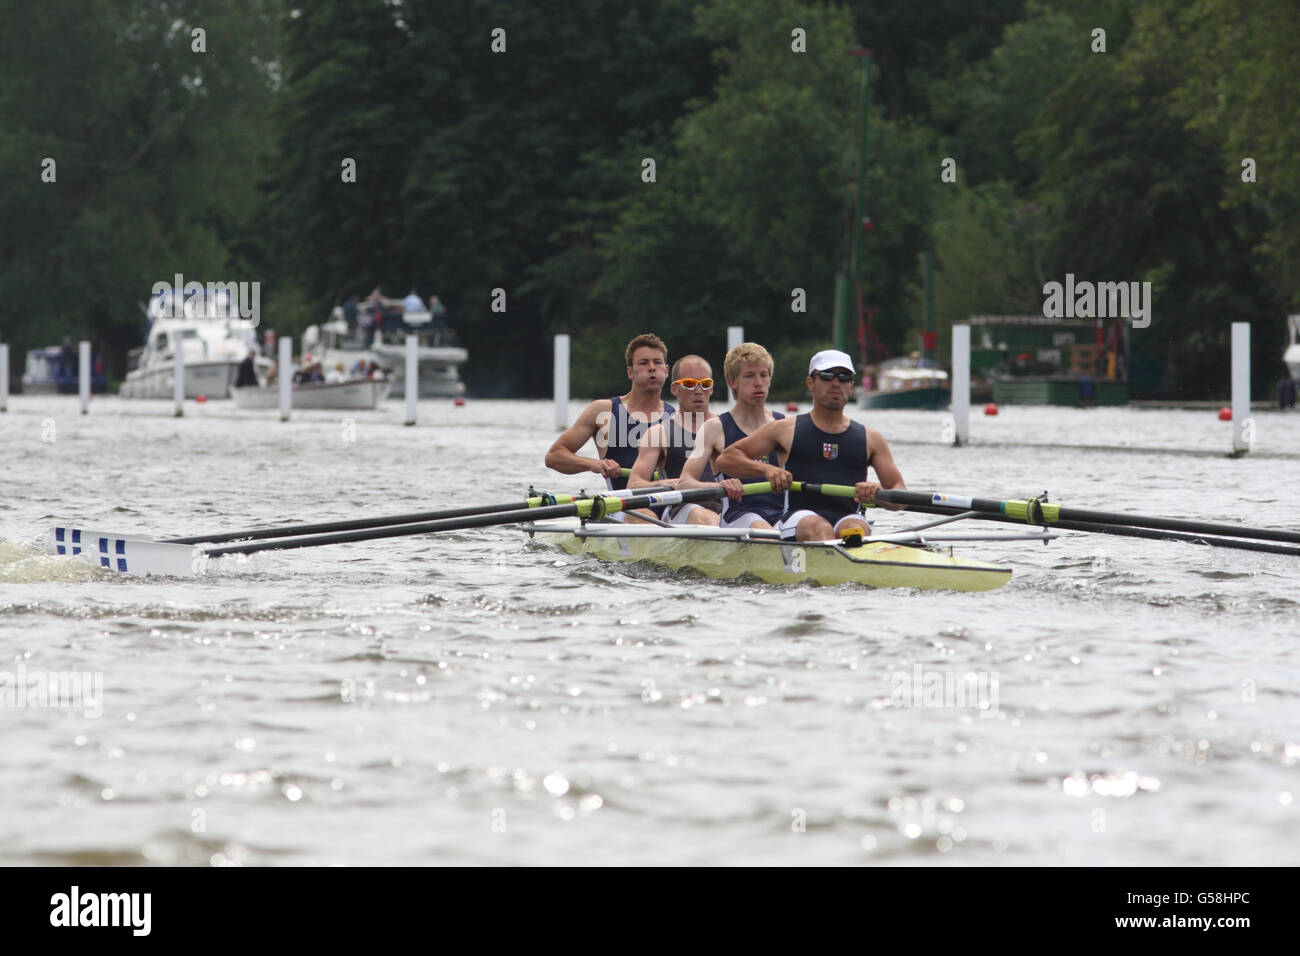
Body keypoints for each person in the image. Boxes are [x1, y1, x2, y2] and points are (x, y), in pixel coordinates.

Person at [716, 349, 906, 542]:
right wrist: (765, 470)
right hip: (798, 519)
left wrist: (877, 492)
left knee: (855, 529)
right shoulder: (785, 430)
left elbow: (900, 494)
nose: (835, 383)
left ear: (851, 386)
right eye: (826, 376)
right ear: (810, 383)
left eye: (844, 377)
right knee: (818, 527)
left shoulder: (871, 438)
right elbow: (728, 458)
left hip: (847, 517)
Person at [545, 333, 675, 492]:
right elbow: (554, 456)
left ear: (666, 370)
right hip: (626, 510)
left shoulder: (676, 417)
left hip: (669, 511)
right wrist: (595, 464)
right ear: (630, 372)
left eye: (657, 362)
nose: (652, 367)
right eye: (643, 363)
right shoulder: (603, 411)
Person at [676, 342, 785, 530]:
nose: (758, 382)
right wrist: (719, 487)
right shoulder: (714, 428)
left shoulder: (784, 424)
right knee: (764, 529)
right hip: (738, 515)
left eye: (763, 375)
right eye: (749, 376)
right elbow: (685, 482)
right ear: (733, 382)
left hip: (782, 514)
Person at [627, 355, 743, 525]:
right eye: (689, 384)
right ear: (675, 389)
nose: (698, 391)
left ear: (711, 389)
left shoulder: (728, 428)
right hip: (682, 508)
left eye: (705, 384)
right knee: (704, 517)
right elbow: (633, 485)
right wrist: (664, 483)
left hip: (725, 507)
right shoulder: (659, 433)